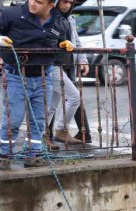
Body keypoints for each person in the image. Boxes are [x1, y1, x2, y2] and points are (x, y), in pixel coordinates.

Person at [0, 0, 73, 170]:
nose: (32, 3)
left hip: (43, 77)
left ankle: (33, 154)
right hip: (15, 76)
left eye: (39, 2)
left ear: (50, 5)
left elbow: (61, 40)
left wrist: (63, 44)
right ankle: (5, 155)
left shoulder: (59, 22)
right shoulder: (12, 14)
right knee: (13, 118)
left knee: (38, 120)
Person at [47, 0, 88, 146]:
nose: (68, 6)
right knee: (74, 97)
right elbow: (47, 39)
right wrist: (60, 44)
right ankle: (60, 130)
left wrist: (82, 59)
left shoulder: (69, 18)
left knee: (52, 105)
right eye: (65, 2)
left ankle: (41, 135)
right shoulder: (49, 16)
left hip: (64, 65)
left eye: (70, 3)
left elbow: (76, 40)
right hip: (53, 65)